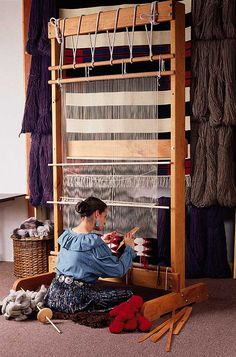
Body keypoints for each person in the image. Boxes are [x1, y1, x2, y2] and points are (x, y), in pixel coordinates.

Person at [44, 196, 137, 314]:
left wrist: (101, 240)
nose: (105, 221)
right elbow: (118, 270)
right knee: (129, 295)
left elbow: (81, 253)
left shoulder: (68, 235)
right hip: (75, 299)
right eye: (105, 216)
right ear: (97, 214)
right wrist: (129, 247)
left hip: (54, 294)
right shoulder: (94, 243)